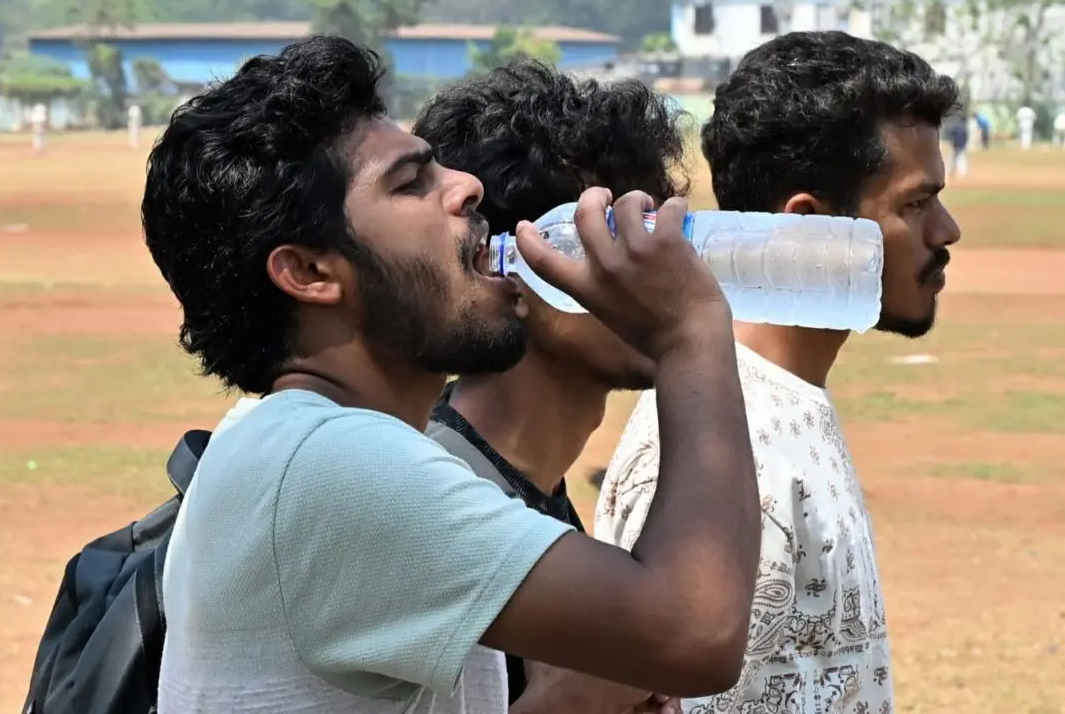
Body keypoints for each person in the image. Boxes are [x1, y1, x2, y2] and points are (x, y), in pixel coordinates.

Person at [143, 35, 761, 713]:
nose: (468, 188)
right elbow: (697, 632)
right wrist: (690, 332)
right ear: (311, 272)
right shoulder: (332, 463)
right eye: (411, 183)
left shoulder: (292, 445)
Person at [595, 30, 963, 713]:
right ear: (810, 227)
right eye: (915, 204)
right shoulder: (726, 449)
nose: (946, 231)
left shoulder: (777, 403)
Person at [415, 60, 739, 714]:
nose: (667, 270)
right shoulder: (433, 502)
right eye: (616, 239)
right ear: (513, 270)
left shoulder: (531, 495)